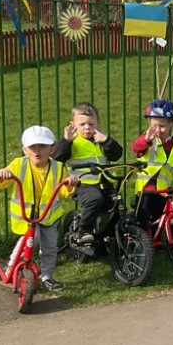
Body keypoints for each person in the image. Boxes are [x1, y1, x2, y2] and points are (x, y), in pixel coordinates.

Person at [0, 125, 79, 291]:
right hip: (26, 216)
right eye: (33, 147)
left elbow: (62, 193)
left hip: (49, 216)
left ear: (52, 149)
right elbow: (1, 183)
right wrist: (2, 174)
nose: (37, 151)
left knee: (50, 248)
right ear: (25, 150)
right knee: (33, 239)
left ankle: (47, 276)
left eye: (43, 146)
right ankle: (11, 265)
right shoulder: (19, 164)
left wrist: (69, 185)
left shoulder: (59, 167)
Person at [52, 102, 123, 245]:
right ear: (73, 125)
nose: (87, 128)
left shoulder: (100, 139)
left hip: (104, 182)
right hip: (82, 184)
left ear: (98, 123)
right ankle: (83, 231)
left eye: (91, 124)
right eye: (82, 124)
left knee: (116, 205)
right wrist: (66, 141)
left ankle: (108, 237)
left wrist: (107, 141)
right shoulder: (73, 142)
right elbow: (57, 157)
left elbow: (116, 155)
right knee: (94, 200)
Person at [131, 98, 173, 228]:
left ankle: (157, 244)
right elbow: (136, 148)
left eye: (162, 126)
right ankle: (140, 245)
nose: (158, 130)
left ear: (172, 124)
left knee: (159, 220)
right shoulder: (147, 139)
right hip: (146, 191)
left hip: (164, 192)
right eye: (154, 125)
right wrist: (146, 140)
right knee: (141, 221)